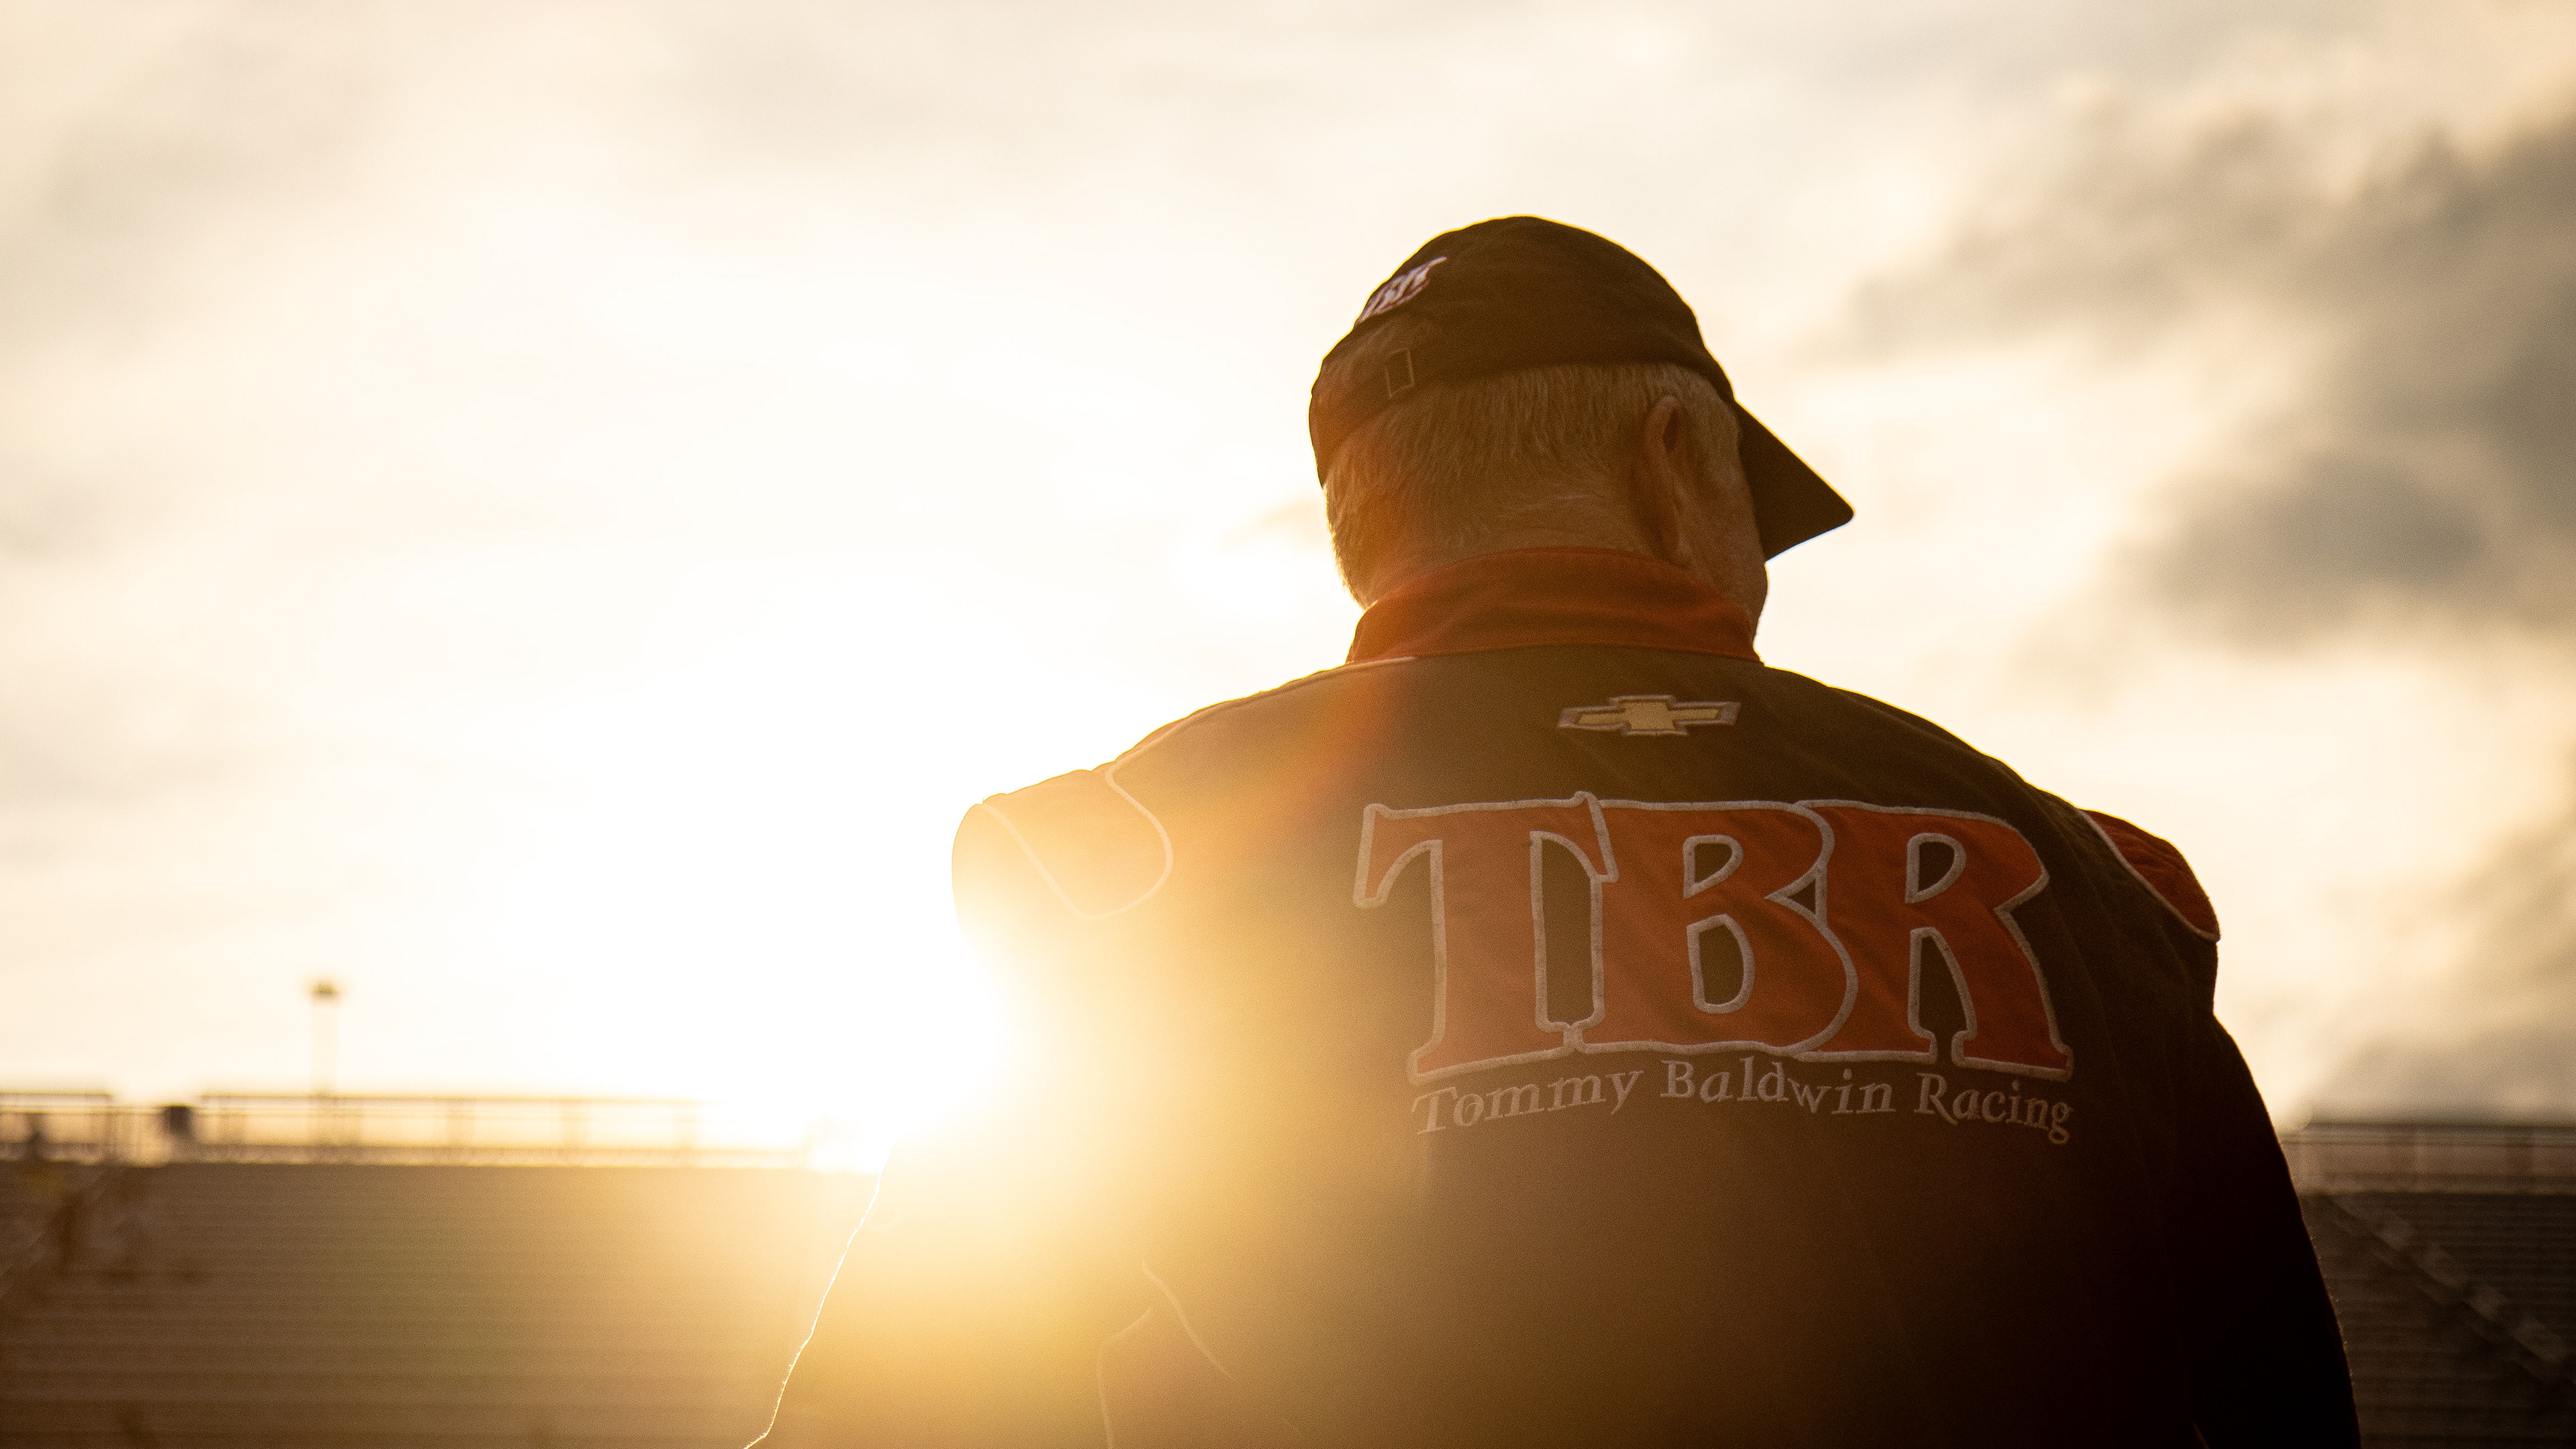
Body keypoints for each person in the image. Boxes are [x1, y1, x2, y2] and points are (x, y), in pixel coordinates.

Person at [763, 217, 2356, 1448]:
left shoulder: (1134, 864)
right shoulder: (2086, 884)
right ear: (1677, 466)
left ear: (1363, 527)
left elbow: (898, 1410)